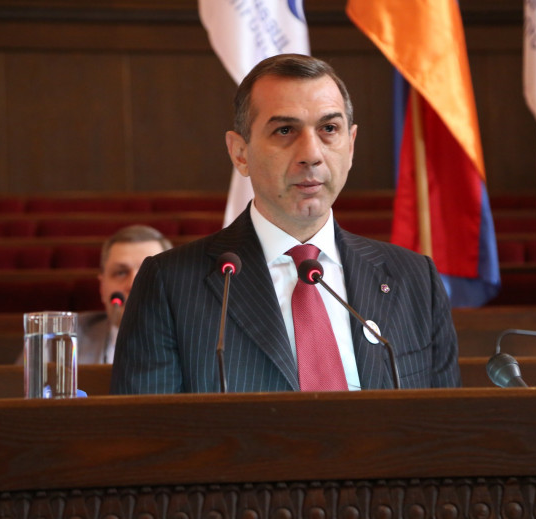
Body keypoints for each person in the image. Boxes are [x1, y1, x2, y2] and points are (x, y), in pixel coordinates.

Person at [111, 54, 460, 393]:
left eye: (329, 129)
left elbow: (445, 423)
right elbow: (149, 429)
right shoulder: (170, 285)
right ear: (240, 153)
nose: (311, 154)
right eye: (285, 130)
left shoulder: (415, 279)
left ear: (351, 146)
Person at [77, 224, 172, 364]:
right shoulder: (66, 338)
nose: (133, 285)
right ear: (102, 287)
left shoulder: (199, 341)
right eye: (121, 273)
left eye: (149, 273)